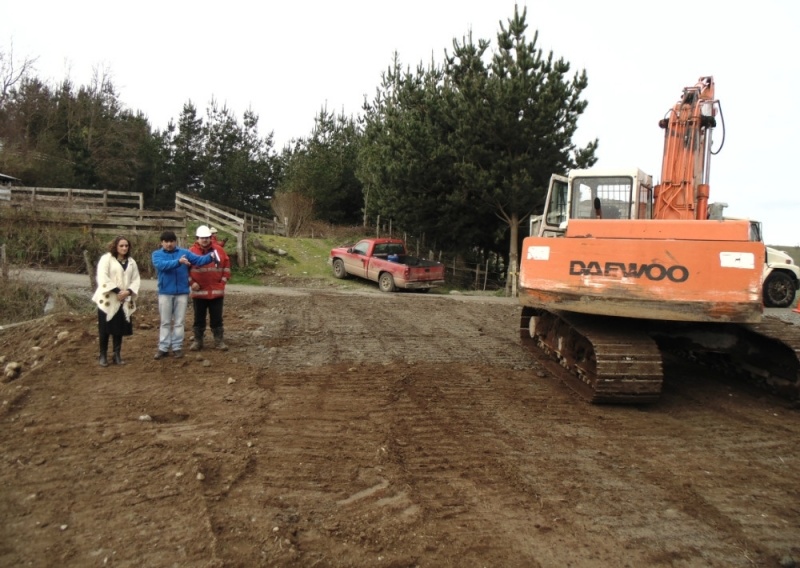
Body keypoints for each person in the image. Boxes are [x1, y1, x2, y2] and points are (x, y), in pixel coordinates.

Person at [151, 230, 214, 359]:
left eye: (171, 241)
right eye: (166, 242)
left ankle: (177, 347)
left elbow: (198, 260)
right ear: (161, 243)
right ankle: (163, 347)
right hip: (165, 292)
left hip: (182, 292)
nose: (169, 244)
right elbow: (161, 265)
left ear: (175, 241)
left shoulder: (184, 252)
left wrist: (211, 256)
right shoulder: (157, 254)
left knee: (179, 321)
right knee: (165, 322)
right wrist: (178, 262)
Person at [91, 236, 141, 367]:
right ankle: (103, 355)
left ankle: (117, 354)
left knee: (119, 327)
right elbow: (102, 277)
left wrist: (128, 292)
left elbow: (136, 279)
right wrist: (118, 291)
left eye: (126, 246)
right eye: (121, 246)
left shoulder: (131, 262)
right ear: (115, 246)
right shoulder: (106, 259)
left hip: (124, 299)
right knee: (105, 328)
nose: (124, 248)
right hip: (109, 298)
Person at [188, 225, 232, 351]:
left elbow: (226, 267)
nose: (205, 240)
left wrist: (222, 282)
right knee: (199, 318)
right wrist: (191, 283)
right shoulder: (191, 252)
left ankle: (219, 341)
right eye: (202, 238)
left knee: (217, 318)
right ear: (197, 238)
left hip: (216, 292)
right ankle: (198, 341)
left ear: (210, 237)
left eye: (207, 237)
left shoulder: (219, 250)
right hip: (199, 292)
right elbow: (184, 271)